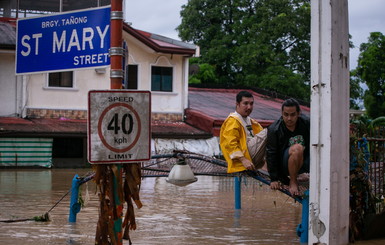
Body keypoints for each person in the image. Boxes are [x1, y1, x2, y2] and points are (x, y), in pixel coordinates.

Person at [266, 98, 310, 196]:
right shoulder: (274, 129)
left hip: (303, 163)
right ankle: (293, 182)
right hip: (284, 164)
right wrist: (274, 179)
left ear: (298, 113)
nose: (289, 118)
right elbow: (271, 154)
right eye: (286, 115)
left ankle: (300, 174)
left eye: (292, 115)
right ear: (282, 113)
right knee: (297, 148)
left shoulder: (307, 124)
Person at [220, 91, 266, 173]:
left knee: (274, 135)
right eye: (245, 103)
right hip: (244, 158)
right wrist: (243, 160)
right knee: (270, 131)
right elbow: (230, 144)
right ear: (237, 104)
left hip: (252, 155)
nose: (249, 107)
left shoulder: (250, 120)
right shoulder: (233, 120)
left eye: (251, 104)